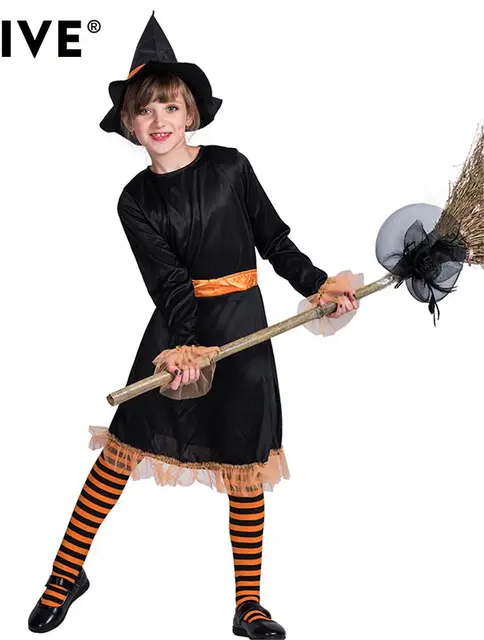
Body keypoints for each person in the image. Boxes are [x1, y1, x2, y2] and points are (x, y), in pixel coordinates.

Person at [28, 12, 360, 640]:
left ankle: (248, 604)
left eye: (171, 107)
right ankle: (65, 574)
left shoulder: (231, 167)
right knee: (123, 448)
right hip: (177, 334)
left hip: (243, 329)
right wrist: (184, 347)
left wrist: (318, 286)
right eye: (145, 111)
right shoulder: (135, 199)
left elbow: (274, 241)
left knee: (245, 460)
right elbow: (170, 282)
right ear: (129, 124)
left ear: (190, 115)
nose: (159, 120)